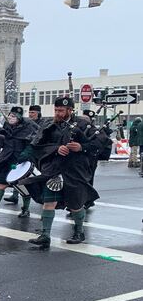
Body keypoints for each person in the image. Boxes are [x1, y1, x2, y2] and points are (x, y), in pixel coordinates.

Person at [23, 97, 100, 248]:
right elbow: (38, 145)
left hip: (74, 169)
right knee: (49, 201)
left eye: (61, 110)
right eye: (56, 110)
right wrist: (56, 149)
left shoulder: (83, 124)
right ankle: (45, 235)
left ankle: (79, 231)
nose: (58, 113)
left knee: (75, 203)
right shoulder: (49, 125)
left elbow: (99, 143)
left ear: (70, 110)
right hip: (54, 168)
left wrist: (81, 147)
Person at [0, 106, 39, 218]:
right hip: (6, 160)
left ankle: (25, 209)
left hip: (21, 162)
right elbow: (0, 135)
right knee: (0, 184)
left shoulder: (29, 127)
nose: (11, 118)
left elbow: (33, 143)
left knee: (24, 187)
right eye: (10, 115)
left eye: (14, 116)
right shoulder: (6, 125)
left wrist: (26, 154)